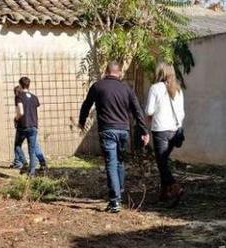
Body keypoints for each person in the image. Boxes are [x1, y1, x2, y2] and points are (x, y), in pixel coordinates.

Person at [78, 62, 150, 213]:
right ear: (120, 72)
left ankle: (114, 200)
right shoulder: (127, 88)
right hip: (123, 130)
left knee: (111, 162)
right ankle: (120, 191)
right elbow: (137, 110)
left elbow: (86, 105)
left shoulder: (98, 86)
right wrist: (144, 131)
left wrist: (81, 121)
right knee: (120, 161)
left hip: (107, 130)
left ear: (106, 71)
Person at [145, 62, 186, 205]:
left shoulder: (155, 88)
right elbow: (181, 113)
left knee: (161, 163)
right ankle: (164, 193)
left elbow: (149, 111)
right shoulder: (178, 90)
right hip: (174, 131)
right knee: (164, 162)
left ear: (159, 73)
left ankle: (175, 187)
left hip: (160, 130)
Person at [12, 77, 47, 175]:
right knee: (31, 150)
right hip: (34, 125)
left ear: (20, 84)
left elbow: (21, 111)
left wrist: (16, 118)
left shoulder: (19, 96)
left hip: (23, 126)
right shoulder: (34, 97)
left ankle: (24, 163)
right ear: (29, 84)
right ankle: (32, 173)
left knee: (17, 146)